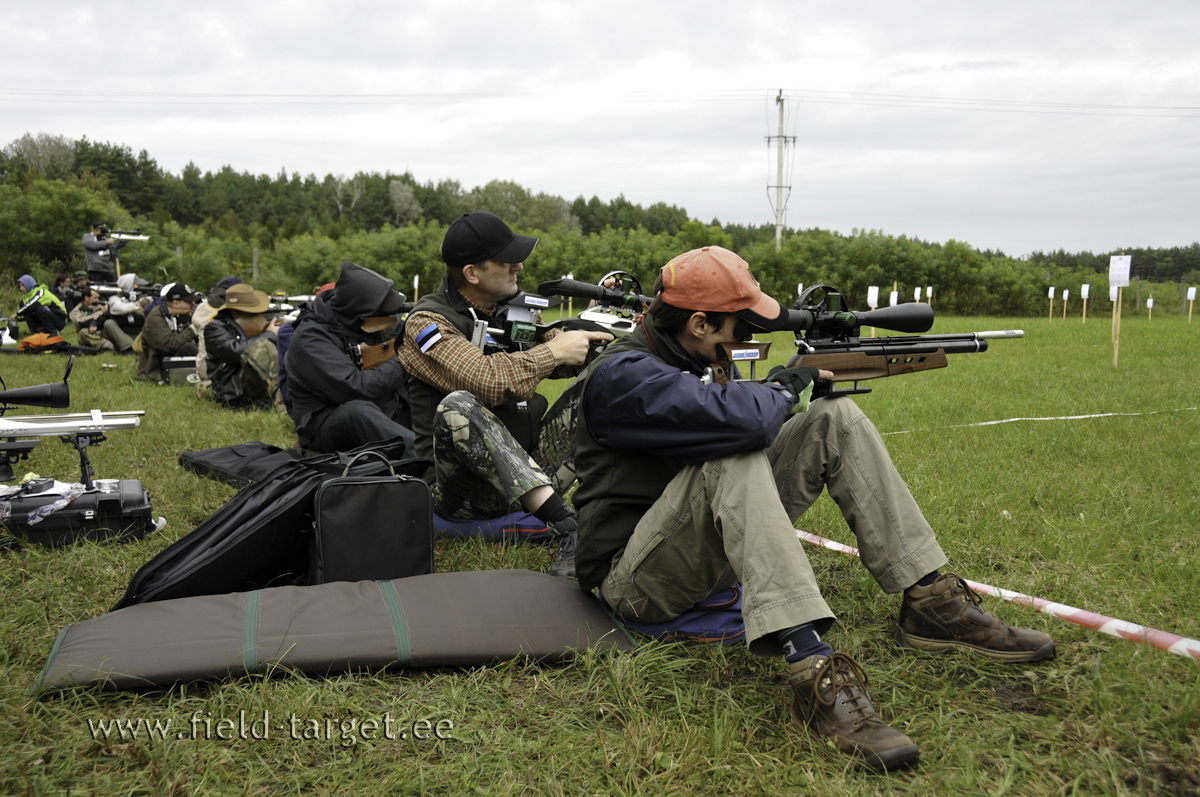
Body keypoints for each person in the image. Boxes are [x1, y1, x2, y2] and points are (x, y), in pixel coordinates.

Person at [571, 246, 1054, 773]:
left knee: (834, 417)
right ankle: (810, 661)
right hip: (634, 583)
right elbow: (743, 423)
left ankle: (930, 601)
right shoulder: (622, 374)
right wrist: (783, 387)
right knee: (732, 452)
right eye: (742, 327)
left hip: (696, 555)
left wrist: (792, 388)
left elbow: (723, 410)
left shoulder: (688, 358)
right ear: (699, 323)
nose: (749, 338)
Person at [397, 211, 613, 579]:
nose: (520, 267)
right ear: (472, 273)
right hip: (463, 496)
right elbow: (486, 380)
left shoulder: (514, 310)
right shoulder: (427, 322)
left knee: (603, 381)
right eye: (507, 260)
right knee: (458, 404)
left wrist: (596, 335)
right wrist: (554, 351)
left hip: (529, 474)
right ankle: (568, 527)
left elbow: (562, 359)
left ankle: (615, 499)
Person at [286, 261, 414, 454]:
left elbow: (400, 331)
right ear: (360, 315)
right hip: (326, 423)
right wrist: (407, 360)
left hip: (381, 408)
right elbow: (357, 388)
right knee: (357, 412)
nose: (390, 320)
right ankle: (428, 458)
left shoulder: (359, 322)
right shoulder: (309, 338)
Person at [203, 282, 284, 407]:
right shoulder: (214, 328)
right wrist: (269, 334)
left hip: (251, 386)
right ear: (236, 312)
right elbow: (234, 352)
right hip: (233, 391)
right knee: (264, 346)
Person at [136, 282, 201, 382]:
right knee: (189, 347)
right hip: (157, 365)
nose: (193, 305)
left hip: (169, 358)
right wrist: (192, 330)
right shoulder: (156, 318)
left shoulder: (178, 313)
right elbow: (168, 345)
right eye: (189, 302)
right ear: (176, 303)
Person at [68, 288, 135, 352]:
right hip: (89, 334)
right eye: (95, 298)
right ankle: (109, 345)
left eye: (98, 298)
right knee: (83, 332)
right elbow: (82, 322)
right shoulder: (77, 310)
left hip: (101, 331)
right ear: (86, 298)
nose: (97, 300)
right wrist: (100, 313)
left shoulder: (99, 305)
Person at [107, 273, 153, 338]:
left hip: (140, 332)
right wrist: (138, 304)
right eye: (137, 285)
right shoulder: (115, 298)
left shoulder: (140, 297)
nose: (139, 287)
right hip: (123, 333)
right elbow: (120, 308)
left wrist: (144, 307)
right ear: (128, 285)